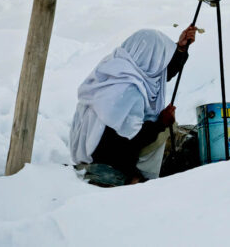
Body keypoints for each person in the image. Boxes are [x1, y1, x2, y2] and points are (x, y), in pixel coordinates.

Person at [69, 26, 197, 184]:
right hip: (107, 156)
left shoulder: (115, 68)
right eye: (161, 59)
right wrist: (161, 123)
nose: (162, 65)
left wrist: (180, 49)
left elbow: (157, 74)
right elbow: (132, 137)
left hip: (90, 147)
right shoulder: (130, 90)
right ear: (150, 59)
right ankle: (138, 178)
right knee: (164, 131)